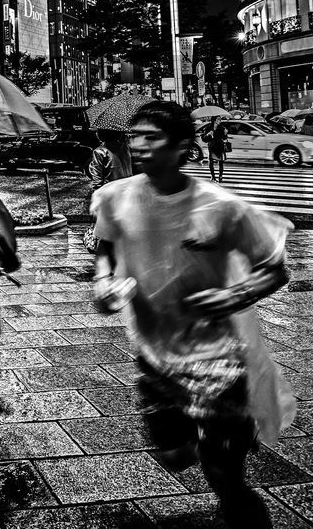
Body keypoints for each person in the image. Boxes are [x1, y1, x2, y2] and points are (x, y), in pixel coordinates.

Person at [91, 101, 294, 528]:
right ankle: (214, 434)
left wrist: (236, 295)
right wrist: (105, 283)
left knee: (224, 477)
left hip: (218, 357)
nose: (140, 146)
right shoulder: (113, 198)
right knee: (174, 457)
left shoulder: (220, 206)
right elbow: (106, 252)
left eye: (152, 137)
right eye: (135, 137)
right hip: (155, 357)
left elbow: (275, 270)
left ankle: (229, 443)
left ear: (183, 146)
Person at [206, 117, 230, 183]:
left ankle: (220, 176)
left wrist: (225, 133)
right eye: (218, 119)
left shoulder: (222, 128)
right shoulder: (208, 127)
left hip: (220, 146)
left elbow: (224, 138)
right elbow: (204, 139)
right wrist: (208, 134)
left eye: (220, 119)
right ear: (214, 120)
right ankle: (213, 176)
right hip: (212, 146)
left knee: (221, 162)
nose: (220, 120)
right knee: (211, 161)